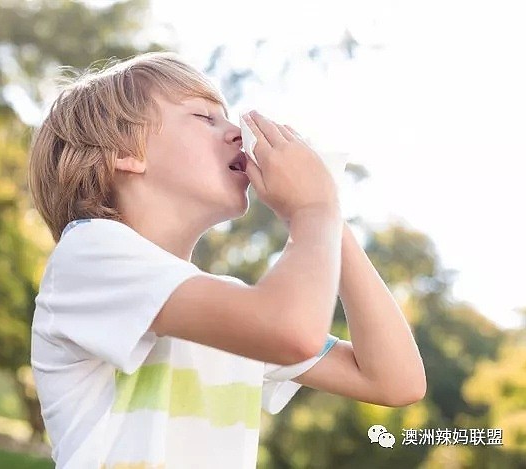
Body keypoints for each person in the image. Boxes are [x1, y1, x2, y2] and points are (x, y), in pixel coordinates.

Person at [27, 51, 422, 468]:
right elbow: (292, 330)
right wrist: (312, 210)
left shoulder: (236, 313)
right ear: (126, 151)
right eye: (204, 118)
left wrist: (328, 213)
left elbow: (395, 381)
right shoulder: (88, 254)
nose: (236, 131)